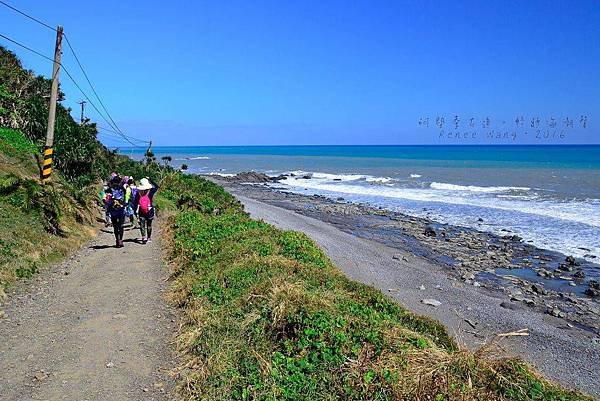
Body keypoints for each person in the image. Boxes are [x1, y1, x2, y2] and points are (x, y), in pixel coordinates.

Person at [132, 177, 159, 244]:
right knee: (149, 225)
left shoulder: (139, 193)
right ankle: (149, 238)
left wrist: (135, 211)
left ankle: (143, 237)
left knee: (142, 225)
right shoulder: (151, 191)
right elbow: (157, 186)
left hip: (141, 210)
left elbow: (135, 202)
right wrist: (150, 179)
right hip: (150, 211)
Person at [106, 175, 127, 247]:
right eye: (115, 182)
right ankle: (117, 239)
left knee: (121, 226)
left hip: (121, 210)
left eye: (117, 182)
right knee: (115, 226)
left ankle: (120, 239)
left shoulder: (122, 189)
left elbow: (125, 198)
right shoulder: (109, 190)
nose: (116, 183)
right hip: (113, 211)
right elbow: (107, 200)